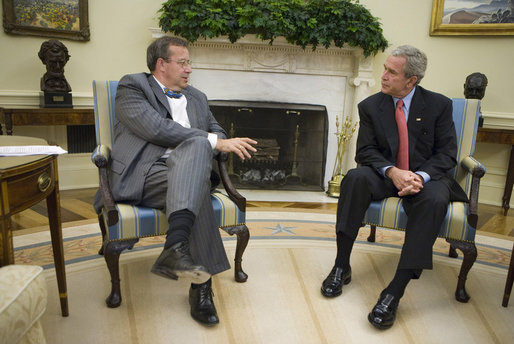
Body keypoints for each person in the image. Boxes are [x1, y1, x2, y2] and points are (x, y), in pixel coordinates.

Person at [108, 36, 257, 326]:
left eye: (189, 63)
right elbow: (155, 128)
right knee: (200, 161)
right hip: (145, 172)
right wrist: (211, 142)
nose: (189, 69)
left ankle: (179, 253)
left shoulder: (198, 97)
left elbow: (217, 130)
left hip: (187, 173)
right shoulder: (132, 86)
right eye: (183, 63)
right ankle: (200, 287)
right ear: (161, 65)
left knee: (196, 174)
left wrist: (216, 139)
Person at [320, 45, 468, 330]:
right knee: (355, 178)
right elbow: (365, 151)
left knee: (435, 200)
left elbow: (447, 154)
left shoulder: (438, 105)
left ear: (411, 80)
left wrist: (419, 177)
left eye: (391, 72)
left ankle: (394, 290)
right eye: (384, 69)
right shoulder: (371, 106)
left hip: (427, 180)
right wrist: (393, 171)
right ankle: (341, 265)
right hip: (388, 175)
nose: (383, 76)